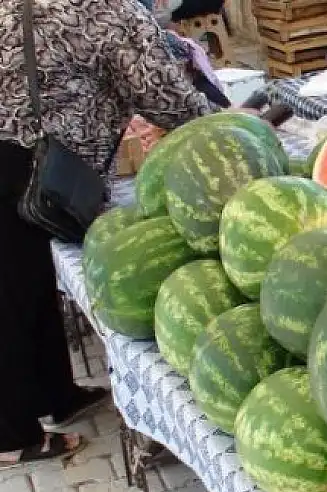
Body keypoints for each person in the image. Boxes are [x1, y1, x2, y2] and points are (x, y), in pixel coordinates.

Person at [0, 0, 218, 466]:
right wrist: (226, 126)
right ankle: (12, 437)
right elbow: (162, 95)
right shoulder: (106, 9)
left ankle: (56, 396)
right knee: (10, 297)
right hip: (24, 162)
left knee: (31, 283)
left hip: (19, 155)